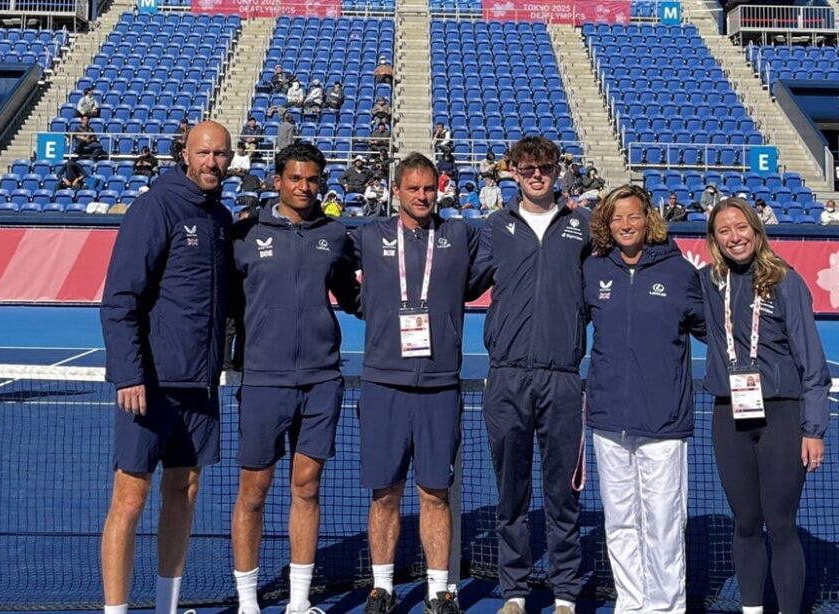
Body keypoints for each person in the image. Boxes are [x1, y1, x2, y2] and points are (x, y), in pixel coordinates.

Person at [99, 120, 235, 614]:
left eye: (220, 154)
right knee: (130, 499)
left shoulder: (220, 217)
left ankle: (166, 608)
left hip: (201, 386)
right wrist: (130, 373)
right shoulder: (154, 206)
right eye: (204, 153)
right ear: (185, 154)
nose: (212, 162)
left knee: (184, 491)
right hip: (151, 386)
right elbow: (120, 299)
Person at [350, 153, 485, 614]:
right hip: (383, 383)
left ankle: (439, 590)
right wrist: (369, 307)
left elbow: (495, 263)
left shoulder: (460, 235)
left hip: (439, 386)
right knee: (384, 492)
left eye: (429, 188)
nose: (422, 196)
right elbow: (333, 272)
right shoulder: (370, 236)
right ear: (396, 191)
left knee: (435, 492)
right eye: (413, 188)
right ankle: (381, 587)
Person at [229, 142, 360, 614]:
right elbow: (225, 303)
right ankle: (248, 603)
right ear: (277, 180)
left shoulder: (336, 234)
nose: (304, 187)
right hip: (264, 380)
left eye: (312, 179)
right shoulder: (243, 235)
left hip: (322, 380)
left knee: (307, 487)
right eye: (295, 178)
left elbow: (354, 298)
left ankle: (299, 603)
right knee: (253, 491)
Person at [471, 136, 591, 614]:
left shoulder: (583, 226)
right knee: (511, 494)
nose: (536, 175)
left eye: (544, 167)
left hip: (562, 377)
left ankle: (565, 593)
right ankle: (515, 592)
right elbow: (460, 280)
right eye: (527, 168)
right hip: (507, 377)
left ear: (558, 170)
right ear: (514, 173)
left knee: (563, 496)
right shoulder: (495, 227)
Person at [701, 198, 831, 614]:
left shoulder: (786, 281)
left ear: (757, 231)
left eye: (741, 227)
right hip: (729, 416)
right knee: (744, 523)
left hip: (781, 416)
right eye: (724, 231)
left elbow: (812, 361)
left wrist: (813, 429)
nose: (734, 237)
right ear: (714, 239)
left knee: (780, 524)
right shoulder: (707, 283)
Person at [584, 185, 705, 613]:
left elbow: (715, 329)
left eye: (633, 216)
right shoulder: (594, 270)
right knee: (620, 520)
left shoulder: (680, 272)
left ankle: (666, 606)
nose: (625, 225)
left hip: (663, 421)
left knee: (664, 522)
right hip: (608, 419)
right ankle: (631, 603)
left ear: (648, 218)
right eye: (617, 218)